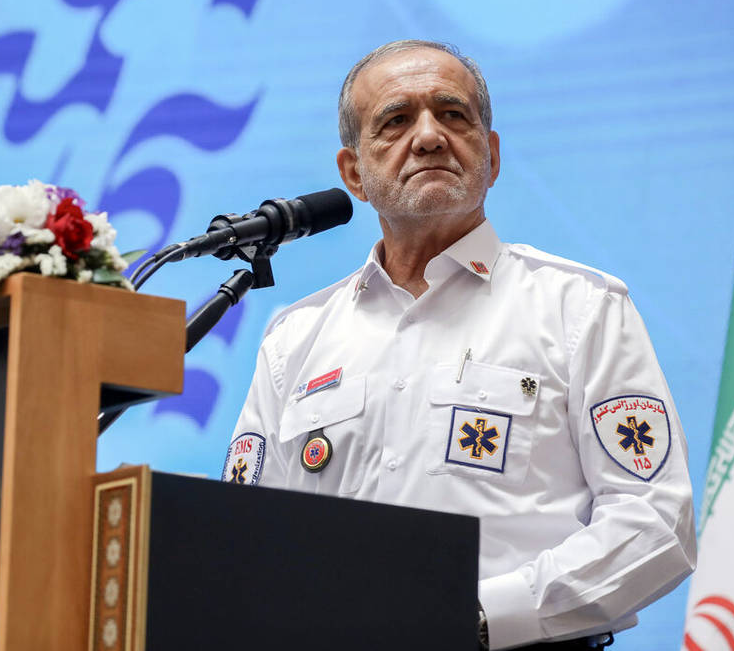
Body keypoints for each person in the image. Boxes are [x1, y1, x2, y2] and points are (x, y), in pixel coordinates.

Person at [222, 40, 696, 650]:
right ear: (353, 173)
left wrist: (475, 619)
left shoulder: (579, 307)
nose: (428, 137)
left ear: (491, 156)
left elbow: (655, 520)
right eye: (395, 121)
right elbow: (246, 543)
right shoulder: (296, 338)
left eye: (452, 115)